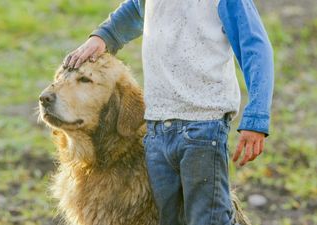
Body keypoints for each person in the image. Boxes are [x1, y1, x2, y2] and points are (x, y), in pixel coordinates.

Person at [63, 0, 274, 224]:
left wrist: (256, 118)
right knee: (167, 219)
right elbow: (135, 10)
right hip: (157, 131)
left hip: (203, 128)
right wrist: (103, 37)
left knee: (208, 218)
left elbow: (255, 48)